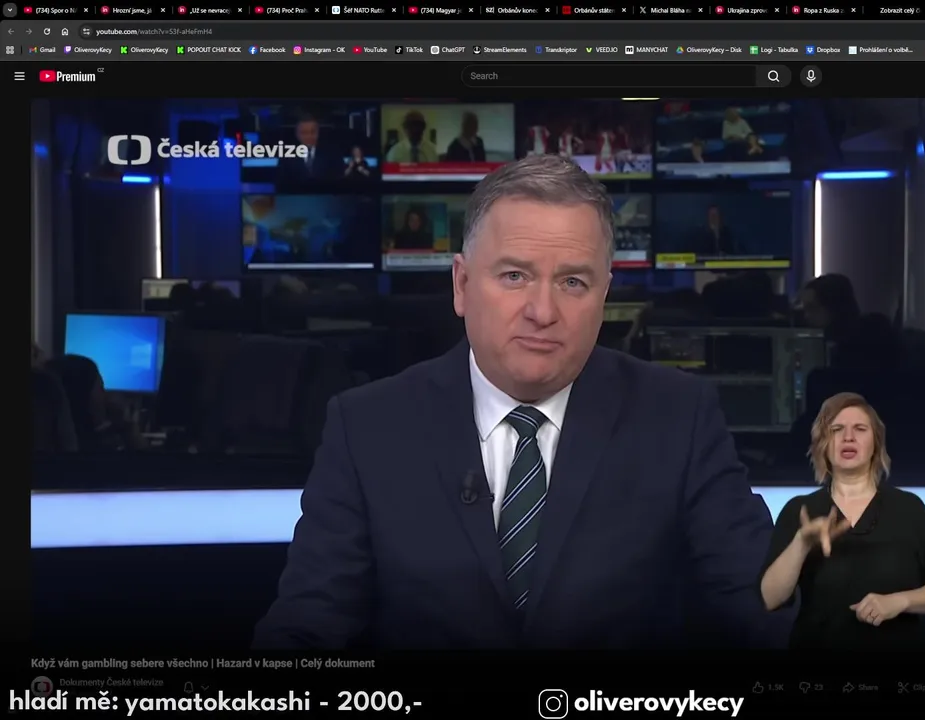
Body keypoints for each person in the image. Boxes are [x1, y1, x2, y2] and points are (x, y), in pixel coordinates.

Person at [255, 154, 785, 649]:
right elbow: (307, 627)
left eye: (572, 281)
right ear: (462, 284)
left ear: (603, 296)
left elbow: (763, 606)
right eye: (515, 276)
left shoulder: (679, 417)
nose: (542, 311)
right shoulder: (368, 426)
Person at [760, 392, 925, 649]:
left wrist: (900, 601)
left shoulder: (909, 508)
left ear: (876, 442)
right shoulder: (800, 510)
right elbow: (770, 599)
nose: (848, 437)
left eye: (860, 429)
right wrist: (802, 543)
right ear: (823, 443)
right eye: (836, 429)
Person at [276, 113, 343, 182]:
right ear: (297, 134)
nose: (309, 136)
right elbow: (281, 181)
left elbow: (340, 178)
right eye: (304, 133)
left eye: (313, 132)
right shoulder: (287, 155)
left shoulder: (333, 153)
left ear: (318, 132)